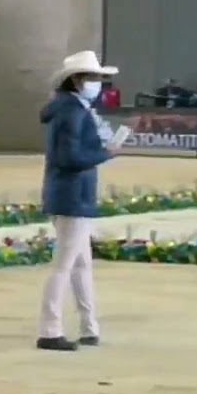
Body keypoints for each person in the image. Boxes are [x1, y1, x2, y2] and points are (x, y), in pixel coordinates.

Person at [37, 51, 119, 352]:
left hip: (70, 194)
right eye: (94, 78)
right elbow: (69, 158)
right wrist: (105, 153)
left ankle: (89, 326)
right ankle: (49, 329)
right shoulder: (73, 112)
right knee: (65, 265)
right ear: (78, 80)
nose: (98, 84)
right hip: (72, 195)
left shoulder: (70, 109)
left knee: (81, 264)